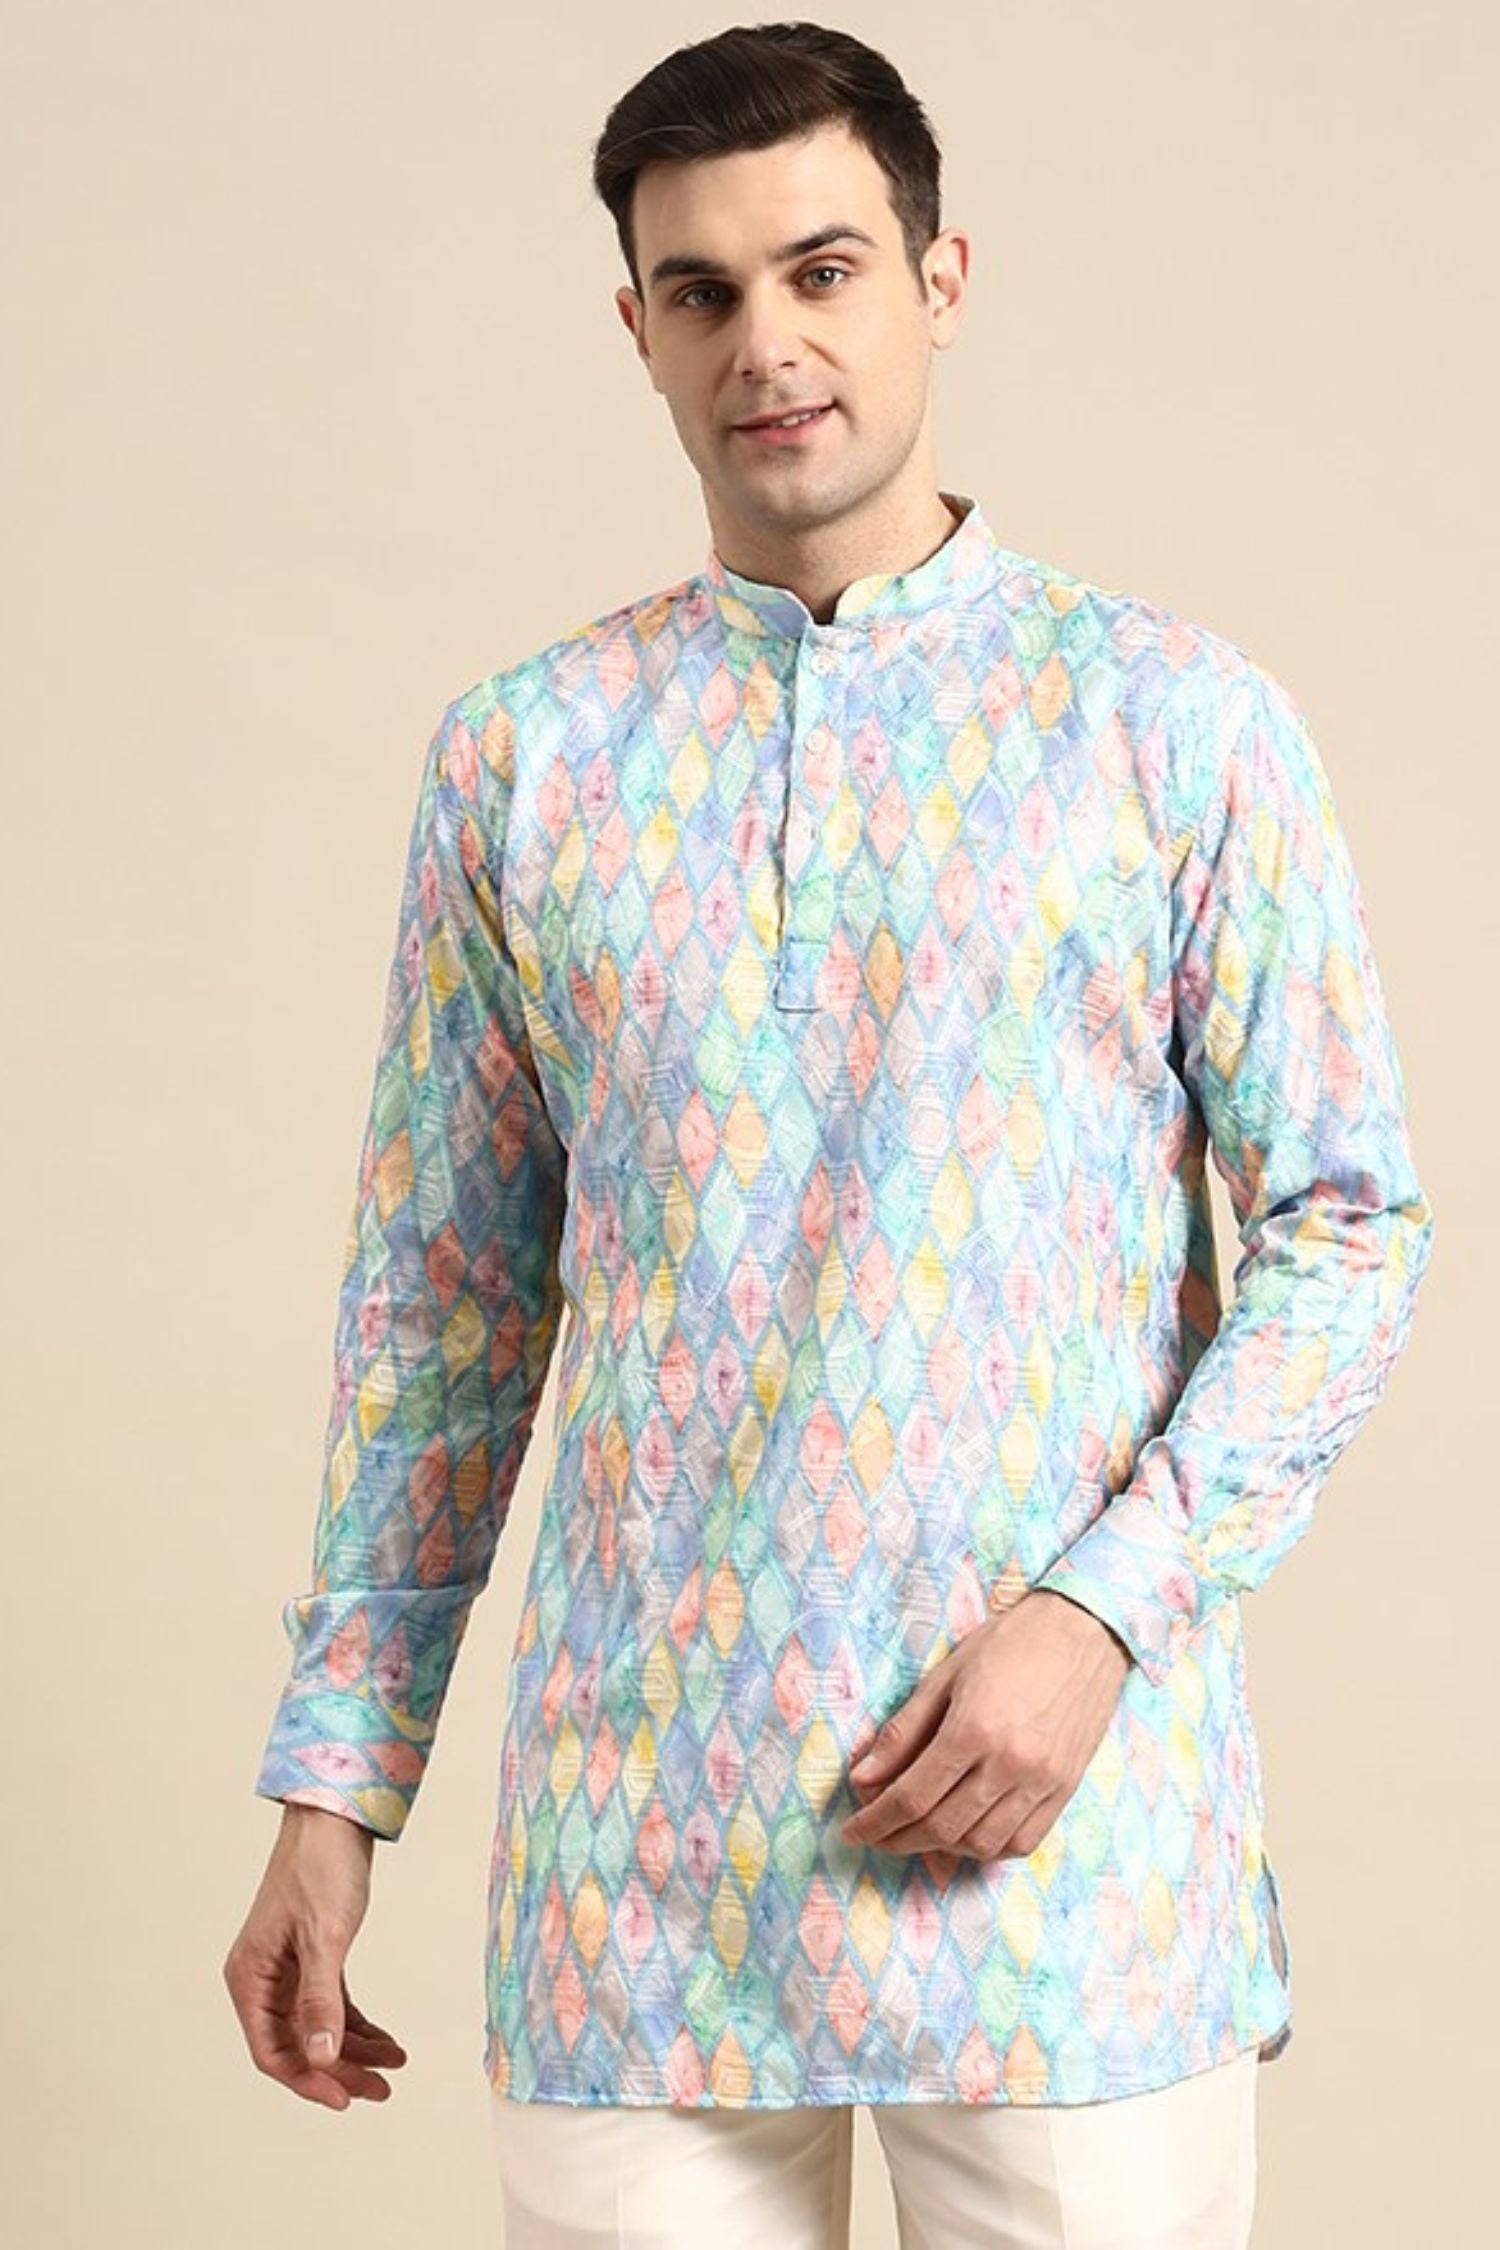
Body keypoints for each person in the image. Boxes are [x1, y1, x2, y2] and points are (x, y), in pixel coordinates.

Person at [223, 21, 1435, 2247]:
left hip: (1065, 1859)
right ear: (638, 331)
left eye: (823, 269)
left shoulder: (1173, 724)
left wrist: (1101, 1619)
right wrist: (334, 1784)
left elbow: (1350, 1226)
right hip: (637, 1871)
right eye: (702, 293)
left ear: (941, 280)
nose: (765, 343)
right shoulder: (527, 762)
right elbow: (443, 1316)